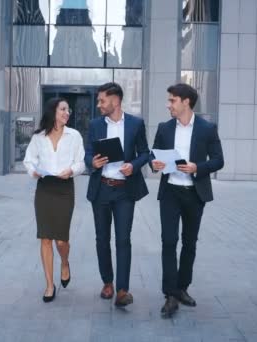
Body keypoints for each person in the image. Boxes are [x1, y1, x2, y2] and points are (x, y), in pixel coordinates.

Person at [150, 83, 224, 318]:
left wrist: (197, 167)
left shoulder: (207, 128)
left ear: (186, 102)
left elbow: (219, 160)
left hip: (195, 193)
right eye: (169, 100)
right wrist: (155, 164)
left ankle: (182, 288)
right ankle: (170, 294)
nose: (168, 104)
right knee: (168, 242)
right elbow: (154, 155)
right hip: (170, 191)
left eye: (172, 100)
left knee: (189, 243)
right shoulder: (164, 128)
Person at [85, 82, 150, 307]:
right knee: (102, 239)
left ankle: (122, 290)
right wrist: (91, 162)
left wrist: (133, 165)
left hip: (125, 190)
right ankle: (107, 283)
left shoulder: (135, 124)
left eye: (102, 100)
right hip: (101, 188)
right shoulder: (94, 125)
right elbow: (88, 154)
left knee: (123, 239)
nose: (99, 104)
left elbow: (145, 153)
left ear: (116, 100)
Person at [23, 97, 85, 303]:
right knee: (45, 237)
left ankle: (65, 262)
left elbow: (81, 163)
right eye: (63, 109)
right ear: (53, 112)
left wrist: (71, 170)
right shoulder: (39, 137)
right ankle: (49, 285)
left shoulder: (74, 135)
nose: (68, 113)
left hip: (65, 189)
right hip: (45, 189)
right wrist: (33, 171)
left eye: (68, 110)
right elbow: (28, 160)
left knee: (61, 239)